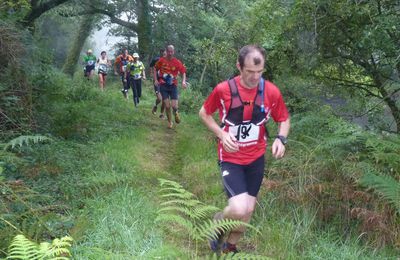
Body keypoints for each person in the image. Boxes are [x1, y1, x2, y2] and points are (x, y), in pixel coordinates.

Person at [199, 45, 290, 254]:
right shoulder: (223, 90)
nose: (255, 77)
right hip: (231, 157)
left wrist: (281, 139)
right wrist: (221, 134)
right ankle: (218, 222)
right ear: (239, 66)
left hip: (256, 157)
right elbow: (204, 113)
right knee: (238, 208)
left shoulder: (271, 91)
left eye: (260, 72)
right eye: (250, 72)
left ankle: (230, 246)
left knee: (248, 211)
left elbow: (284, 119)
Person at [154, 45, 187, 128]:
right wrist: (155, 80)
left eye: (171, 51)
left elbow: (183, 72)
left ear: (173, 52)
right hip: (163, 85)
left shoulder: (177, 62)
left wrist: (183, 81)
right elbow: (155, 69)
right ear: (166, 51)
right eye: (169, 51)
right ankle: (170, 122)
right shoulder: (161, 60)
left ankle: (176, 112)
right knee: (167, 106)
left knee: (174, 106)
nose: (170, 53)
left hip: (173, 85)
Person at [150, 48, 167, 119]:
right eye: (164, 54)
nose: (165, 56)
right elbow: (151, 67)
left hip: (165, 82)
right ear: (161, 54)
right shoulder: (156, 60)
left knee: (164, 100)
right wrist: (153, 76)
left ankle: (162, 114)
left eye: (166, 55)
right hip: (157, 81)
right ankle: (155, 105)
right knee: (160, 98)